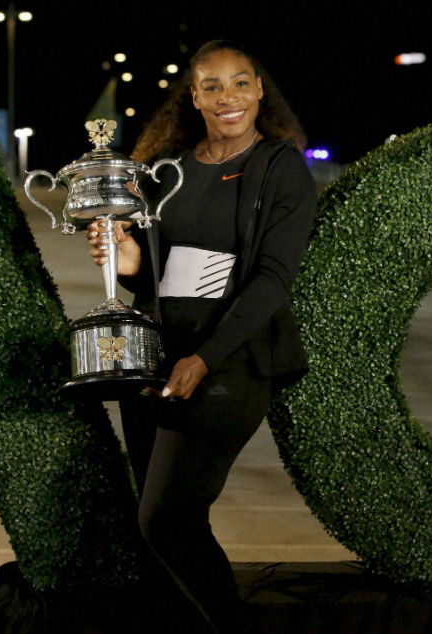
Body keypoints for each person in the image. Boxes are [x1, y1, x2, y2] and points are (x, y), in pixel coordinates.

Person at [87, 40, 317, 633]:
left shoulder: (280, 167)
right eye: (211, 86)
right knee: (155, 521)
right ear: (194, 97)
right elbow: (153, 272)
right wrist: (124, 256)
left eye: (240, 83)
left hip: (228, 365)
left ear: (259, 90)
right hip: (153, 359)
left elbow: (271, 281)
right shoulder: (171, 170)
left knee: (167, 520)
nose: (227, 97)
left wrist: (204, 359)